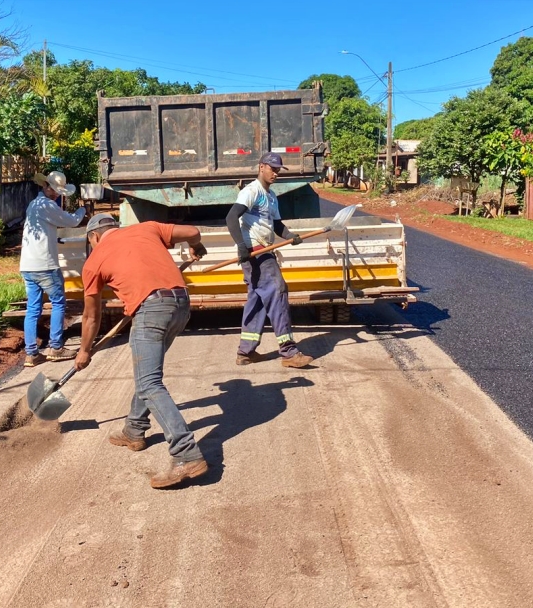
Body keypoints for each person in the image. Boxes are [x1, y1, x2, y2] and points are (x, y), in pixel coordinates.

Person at [75, 213, 210, 489]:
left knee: (149, 383)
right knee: (146, 374)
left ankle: (186, 454)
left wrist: (84, 351)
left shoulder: (93, 261)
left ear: (94, 237)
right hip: (180, 303)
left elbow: (91, 317)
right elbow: (194, 230)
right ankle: (134, 430)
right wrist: (196, 247)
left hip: (152, 310)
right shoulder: (148, 228)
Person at [225, 152, 314, 368]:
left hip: (264, 249)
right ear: (261, 167)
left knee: (257, 300)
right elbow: (230, 217)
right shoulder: (251, 191)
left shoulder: (271, 196)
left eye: (278, 170)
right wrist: (241, 247)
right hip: (256, 252)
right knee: (278, 290)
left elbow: (276, 225)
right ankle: (289, 352)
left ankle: (245, 352)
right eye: (272, 168)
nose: (275, 173)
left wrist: (290, 236)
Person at [20, 171, 86, 367]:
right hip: (45, 265)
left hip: (28, 265)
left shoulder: (34, 205)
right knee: (58, 303)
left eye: (59, 191)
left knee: (33, 308)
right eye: (55, 190)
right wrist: (82, 210)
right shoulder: (47, 206)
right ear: (45, 186)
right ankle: (56, 347)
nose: (57, 194)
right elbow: (72, 221)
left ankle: (32, 353)